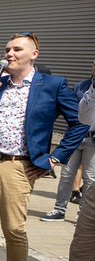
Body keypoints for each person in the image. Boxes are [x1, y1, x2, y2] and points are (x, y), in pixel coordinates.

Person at [0, 32, 87, 261]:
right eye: (8, 49)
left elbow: (81, 123)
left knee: (14, 228)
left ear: (34, 54)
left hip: (17, 166)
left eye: (17, 49)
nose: (10, 54)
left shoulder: (52, 85)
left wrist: (54, 158)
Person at [42, 57, 95, 222]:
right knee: (66, 174)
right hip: (75, 137)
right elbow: (69, 108)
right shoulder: (82, 85)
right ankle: (59, 209)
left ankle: (83, 214)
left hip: (93, 141)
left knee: (90, 177)